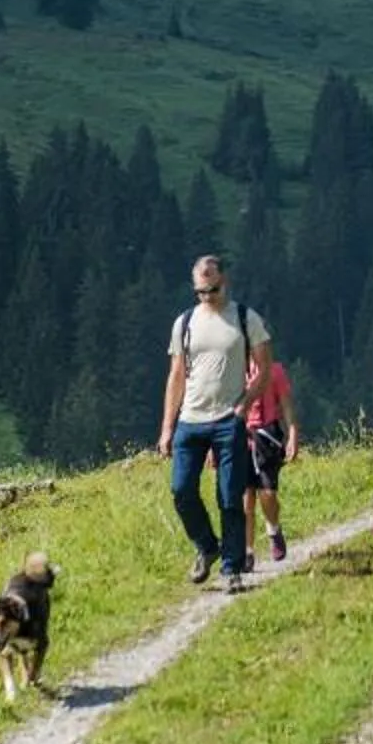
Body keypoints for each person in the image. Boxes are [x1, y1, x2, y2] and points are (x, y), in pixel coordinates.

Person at [154, 254, 269, 593]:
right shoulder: (185, 322)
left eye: (213, 289)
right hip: (190, 420)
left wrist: (244, 405)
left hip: (227, 420)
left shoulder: (246, 318)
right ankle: (207, 546)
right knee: (181, 490)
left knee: (230, 495)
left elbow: (264, 368)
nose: (207, 297)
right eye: (201, 291)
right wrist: (167, 428)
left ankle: (231, 568)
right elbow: (176, 375)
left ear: (225, 281)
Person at [244, 345, 301, 562]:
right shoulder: (234, 373)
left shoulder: (275, 371)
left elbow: (287, 406)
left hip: (267, 436)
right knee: (245, 496)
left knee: (267, 493)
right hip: (240, 436)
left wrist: (293, 433)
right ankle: (247, 551)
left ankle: (273, 529)